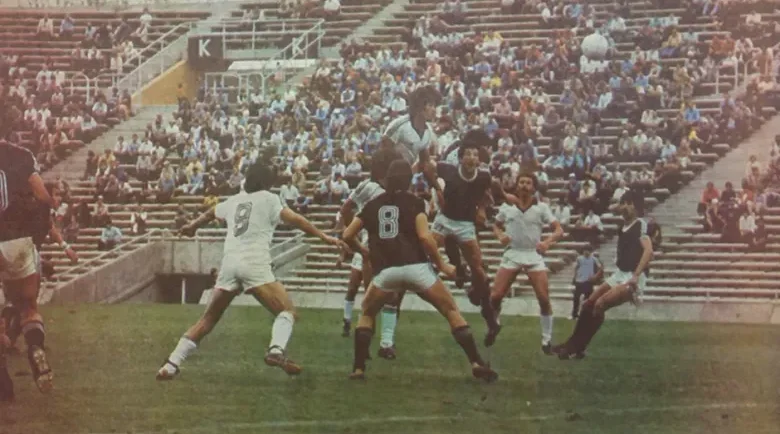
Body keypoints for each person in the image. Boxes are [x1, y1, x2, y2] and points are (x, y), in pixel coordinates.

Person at [156, 162, 348, 380]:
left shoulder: (235, 200)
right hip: (254, 263)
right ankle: (276, 351)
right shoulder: (269, 199)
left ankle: (171, 363)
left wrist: (192, 226)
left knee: (207, 320)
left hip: (229, 264)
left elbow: (211, 212)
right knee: (287, 312)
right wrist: (325, 237)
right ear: (267, 182)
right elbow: (296, 219)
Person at [342, 160, 497, 382]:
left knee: (367, 313)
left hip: (386, 271)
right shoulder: (416, 203)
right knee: (451, 310)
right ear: (408, 181)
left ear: (386, 180)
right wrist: (442, 265)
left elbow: (347, 235)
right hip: (417, 267)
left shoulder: (372, 205)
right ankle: (476, 362)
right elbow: (425, 237)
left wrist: (364, 252)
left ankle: (358, 369)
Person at [553, 190, 654, 360]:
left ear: (637, 208)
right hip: (620, 274)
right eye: (625, 203)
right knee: (587, 304)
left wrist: (636, 275)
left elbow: (649, 251)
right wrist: (620, 205)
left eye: (630, 204)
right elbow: (614, 207)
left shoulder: (640, 224)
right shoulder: (624, 226)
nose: (626, 207)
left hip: (632, 276)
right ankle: (572, 344)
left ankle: (577, 347)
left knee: (600, 304)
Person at [0, 141, 58, 401]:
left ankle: (3, 381)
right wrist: (42, 227)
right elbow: (43, 196)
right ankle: (34, 346)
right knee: (27, 307)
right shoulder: (20, 154)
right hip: (17, 240)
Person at [485, 172, 563, 353]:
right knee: (495, 297)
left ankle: (546, 340)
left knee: (544, 299)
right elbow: (495, 225)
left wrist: (547, 242)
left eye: (528, 183)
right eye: (521, 182)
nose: (525, 186)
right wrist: (500, 235)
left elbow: (559, 230)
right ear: (516, 186)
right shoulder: (507, 206)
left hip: (532, 255)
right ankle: (494, 324)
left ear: (534, 188)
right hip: (512, 253)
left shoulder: (542, 208)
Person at [429, 139, 495, 329]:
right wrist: (436, 188)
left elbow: (488, 196)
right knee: (426, 253)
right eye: (468, 154)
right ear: (460, 158)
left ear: (479, 160)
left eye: (475, 154)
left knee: (479, 271)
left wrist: (482, 208)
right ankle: (457, 272)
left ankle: (487, 310)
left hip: (465, 223)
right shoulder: (447, 170)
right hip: (445, 219)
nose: (472, 157)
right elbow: (427, 167)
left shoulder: (484, 176)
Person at [336, 148, 400, 342]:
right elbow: (346, 208)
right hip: (370, 245)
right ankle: (356, 331)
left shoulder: (397, 189)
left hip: (391, 246)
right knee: (364, 292)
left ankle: (386, 342)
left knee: (392, 296)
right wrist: (353, 241)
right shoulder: (369, 186)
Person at [571, 245, 602, 319]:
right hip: (579, 281)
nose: (586, 252)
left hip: (588, 281)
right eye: (585, 250)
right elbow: (576, 267)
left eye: (588, 250)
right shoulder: (579, 259)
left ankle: (586, 314)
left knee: (588, 299)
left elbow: (601, 268)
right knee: (576, 298)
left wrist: (596, 276)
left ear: (590, 251)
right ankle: (574, 314)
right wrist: (574, 277)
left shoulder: (594, 259)